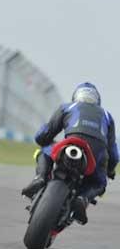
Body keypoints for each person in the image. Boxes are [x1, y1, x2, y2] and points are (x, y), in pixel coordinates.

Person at [21, 82, 118, 224]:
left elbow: (45, 132)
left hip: (71, 143)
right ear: (97, 100)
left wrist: (43, 141)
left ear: (76, 96)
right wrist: (110, 170)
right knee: (99, 182)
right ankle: (82, 198)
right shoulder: (107, 116)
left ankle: (40, 178)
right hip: (96, 152)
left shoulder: (67, 107)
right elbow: (113, 152)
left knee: (45, 151)